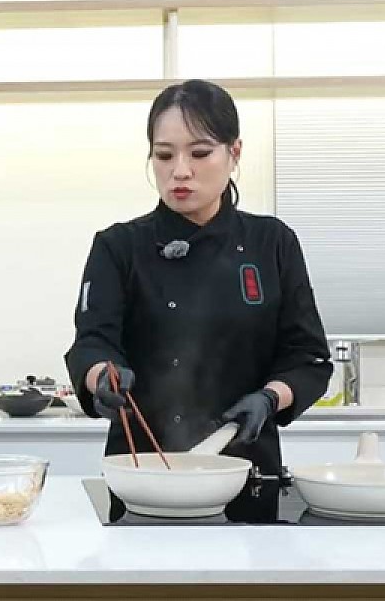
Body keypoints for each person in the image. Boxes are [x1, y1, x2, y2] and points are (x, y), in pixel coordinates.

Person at [64, 79, 331, 474]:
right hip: (141, 469)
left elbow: (307, 358)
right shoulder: (118, 246)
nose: (180, 171)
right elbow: (92, 343)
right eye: (164, 155)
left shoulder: (272, 243)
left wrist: (270, 399)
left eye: (200, 153)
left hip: (247, 468)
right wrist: (102, 376)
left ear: (234, 152)